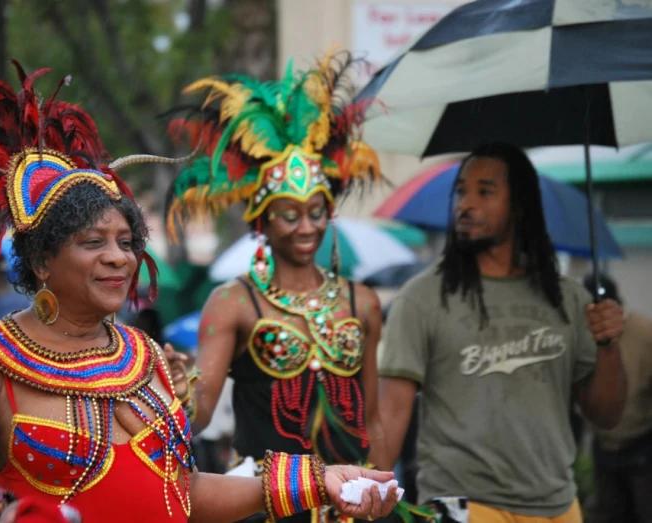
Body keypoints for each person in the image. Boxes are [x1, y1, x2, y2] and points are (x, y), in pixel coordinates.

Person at [0, 64, 398, 523]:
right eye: (92, 242)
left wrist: (316, 480)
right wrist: (6, 519)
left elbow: (184, 494)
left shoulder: (143, 356)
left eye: (127, 242)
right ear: (40, 261)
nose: (118, 257)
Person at [165, 51, 425, 523]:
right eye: (289, 213)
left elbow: (371, 420)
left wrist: (382, 492)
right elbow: (200, 417)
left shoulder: (360, 301)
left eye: (316, 211)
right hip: (268, 506)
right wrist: (183, 391)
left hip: (351, 506)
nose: (306, 226)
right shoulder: (232, 302)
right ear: (262, 221)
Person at [376, 142, 627, 523]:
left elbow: (606, 415)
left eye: (484, 191)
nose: (465, 204)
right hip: (461, 504)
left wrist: (608, 346)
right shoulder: (421, 299)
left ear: (520, 205)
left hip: (558, 505)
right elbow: (392, 413)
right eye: (461, 191)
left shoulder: (570, 299)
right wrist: (358, 498)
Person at [581, 273, 652, 523]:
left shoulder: (643, 332)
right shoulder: (584, 335)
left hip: (641, 445)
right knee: (610, 513)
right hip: (604, 447)